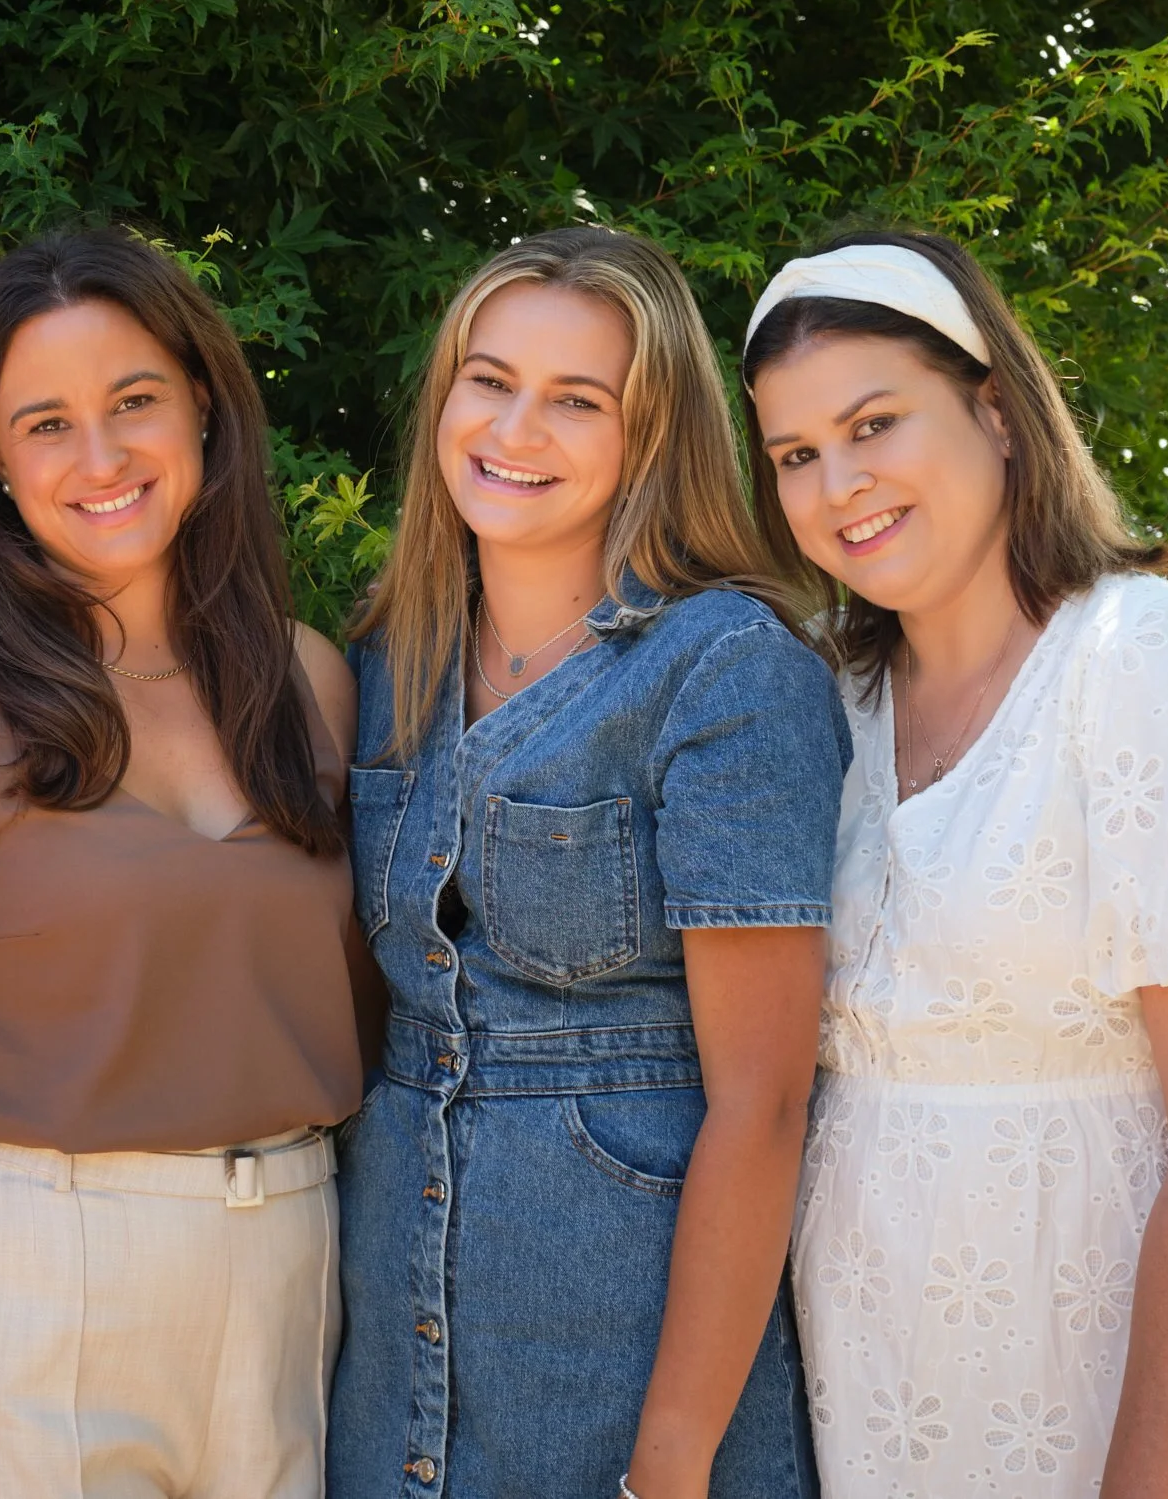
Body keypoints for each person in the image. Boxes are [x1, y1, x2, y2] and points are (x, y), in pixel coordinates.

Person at [742, 230, 1168, 1498]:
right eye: (795, 455)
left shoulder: (1157, 662)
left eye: (876, 423)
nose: (838, 484)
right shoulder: (818, 691)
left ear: (995, 410)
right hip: (881, 1379)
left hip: (1117, 1386)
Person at [0, 227, 372, 1499]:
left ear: (206, 413)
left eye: (133, 403)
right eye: (46, 422)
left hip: (294, 1267)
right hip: (37, 1280)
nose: (102, 457)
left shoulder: (312, 684)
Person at [329, 226, 847, 1499]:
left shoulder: (722, 670)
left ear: (650, 435)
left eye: (577, 400)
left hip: (622, 1352)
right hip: (395, 1329)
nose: (516, 428)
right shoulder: (386, 662)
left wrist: (669, 1460)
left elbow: (764, 1101)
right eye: (489, 379)